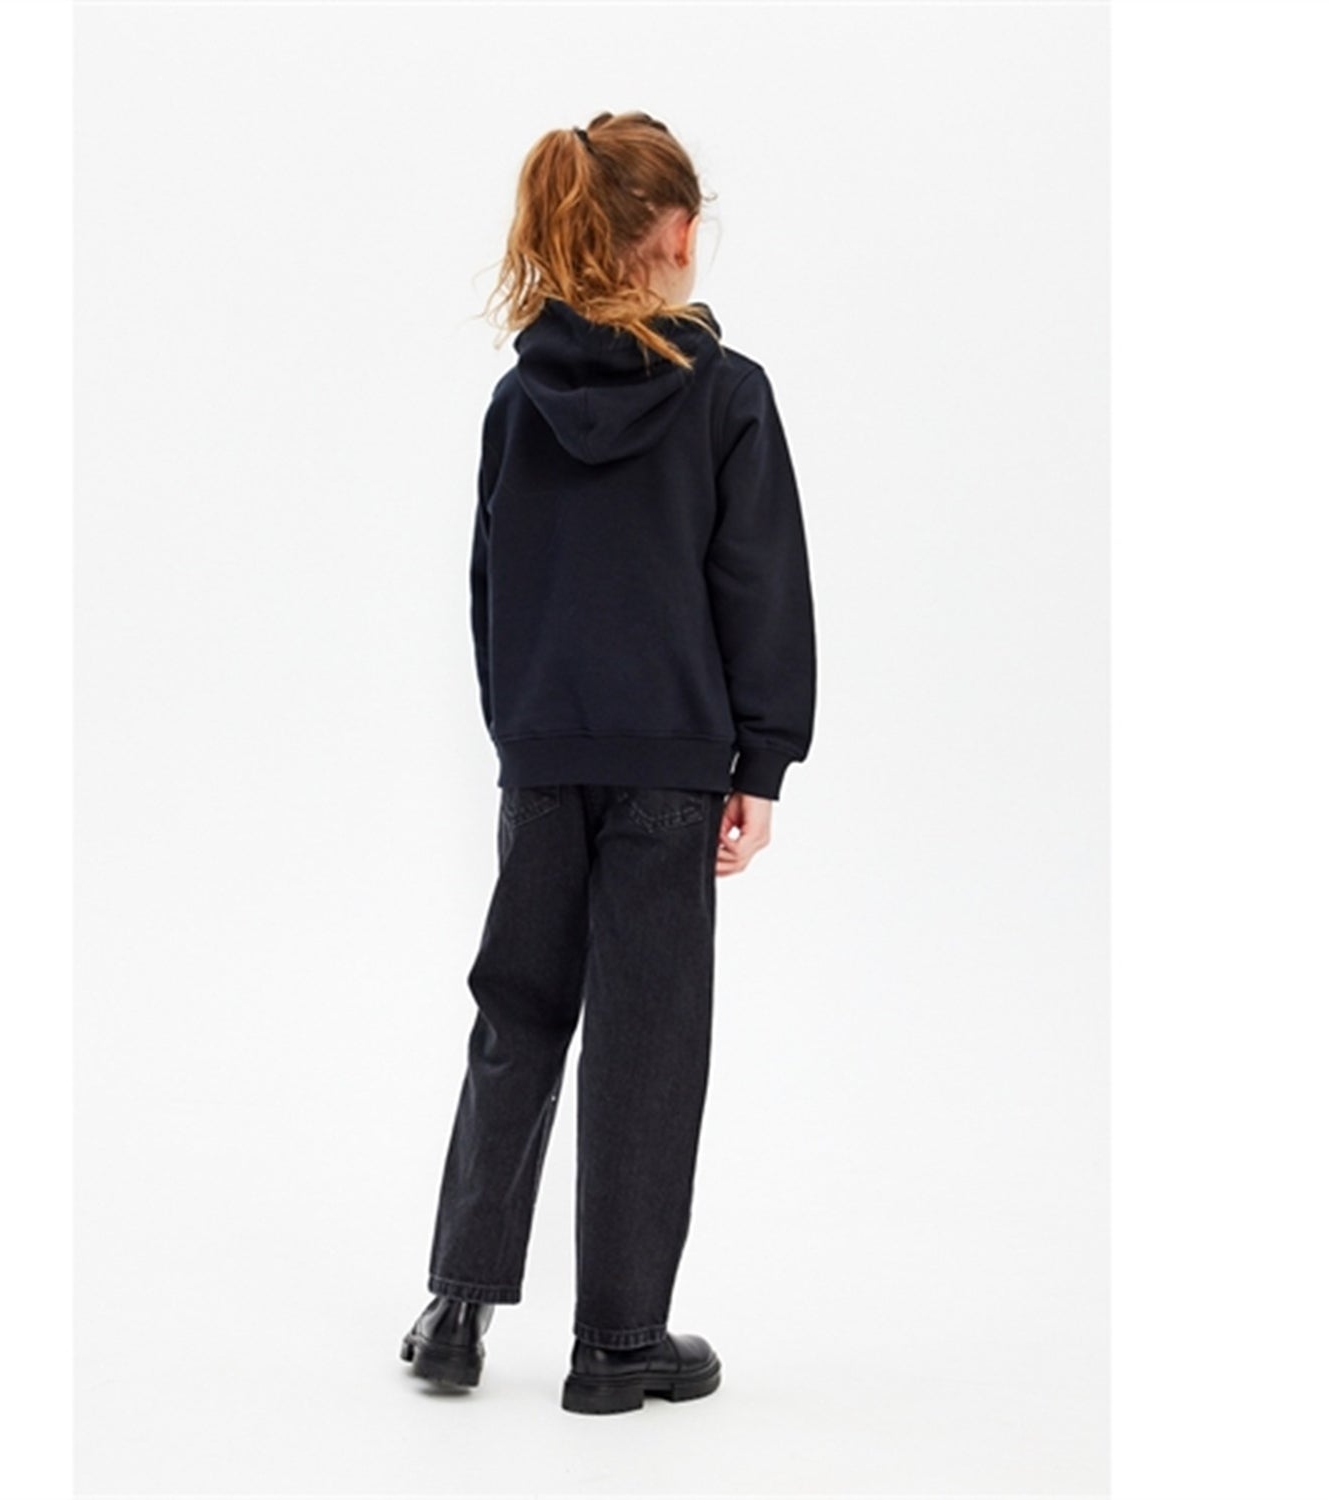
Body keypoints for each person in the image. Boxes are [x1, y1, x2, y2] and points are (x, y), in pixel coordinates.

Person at [398, 110, 817, 1416]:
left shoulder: (518, 402)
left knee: (518, 1010)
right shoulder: (727, 396)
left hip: (546, 757)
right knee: (648, 1042)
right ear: (677, 233)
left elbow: (492, 586)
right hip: (671, 765)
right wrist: (763, 761)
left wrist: (525, 735)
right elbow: (758, 586)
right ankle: (618, 1345)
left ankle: (457, 1308)